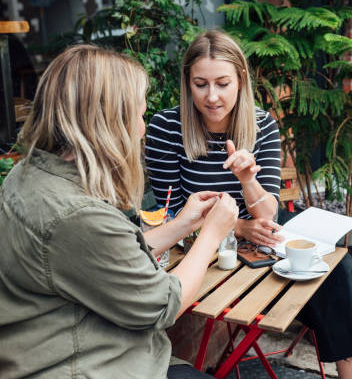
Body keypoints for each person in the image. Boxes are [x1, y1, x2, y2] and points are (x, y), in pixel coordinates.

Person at [145, 30, 352, 378]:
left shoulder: (262, 123)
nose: (212, 96)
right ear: (187, 82)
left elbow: (266, 213)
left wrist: (248, 179)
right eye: (200, 84)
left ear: (240, 81)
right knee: (344, 278)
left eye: (222, 83)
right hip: (202, 243)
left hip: (265, 230)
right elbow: (169, 212)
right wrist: (235, 225)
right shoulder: (165, 127)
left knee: (345, 271)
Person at [0, 45, 239, 379]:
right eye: (137, 116)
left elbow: (105, 258)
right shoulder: (77, 215)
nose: (141, 129)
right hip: (89, 365)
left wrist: (183, 223)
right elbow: (162, 306)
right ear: (107, 122)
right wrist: (212, 234)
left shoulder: (27, 175)